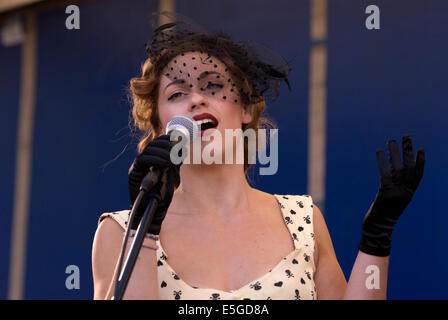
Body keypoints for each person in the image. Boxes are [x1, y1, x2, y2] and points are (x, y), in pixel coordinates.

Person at [91, 14, 425, 300]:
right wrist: (143, 232)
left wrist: (377, 237)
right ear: (161, 124)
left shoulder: (304, 220)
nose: (195, 99)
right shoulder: (118, 231)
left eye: (212, 86)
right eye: (177, 93)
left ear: (246, 109)